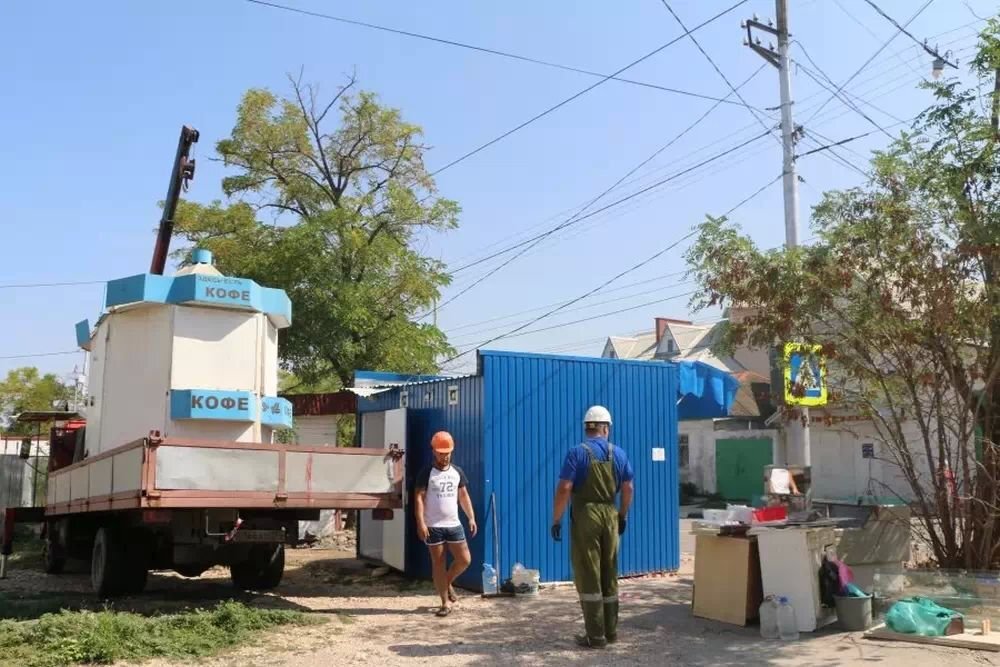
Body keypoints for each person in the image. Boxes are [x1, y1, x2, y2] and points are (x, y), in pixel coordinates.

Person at [550, 405, 634, 649]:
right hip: (610, 514)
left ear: (587, 428)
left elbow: (564, 488)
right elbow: (628, 488)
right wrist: (622, 515)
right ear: (605, 428)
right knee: (609, 571)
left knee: (589, 573)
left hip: (586, 515)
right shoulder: (619, 454)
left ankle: (595, 636)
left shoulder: (577, 453)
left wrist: (556, 519)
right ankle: (611, 631)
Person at [414, 430, 477, 617]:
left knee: (465, 560)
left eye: (448, 453)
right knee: (438, 563)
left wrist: (471, 517)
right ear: (434, 451)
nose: (445, 456)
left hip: (453, 524)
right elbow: (419, 499)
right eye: (441, 453)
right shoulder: (426, 473)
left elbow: (463, 496)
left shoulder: (457, 472)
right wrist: (421, 523)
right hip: (433, 526)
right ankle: (444, 603)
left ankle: (446, 582)